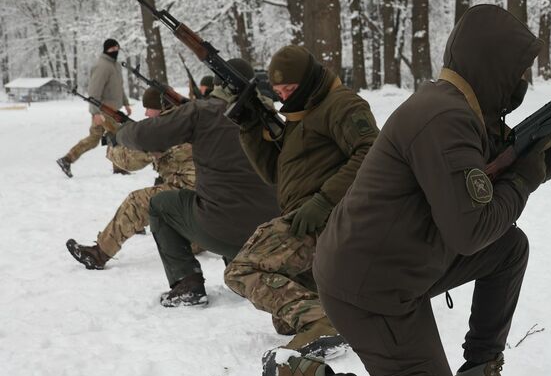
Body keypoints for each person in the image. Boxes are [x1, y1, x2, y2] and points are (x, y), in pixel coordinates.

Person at [266, 5, 551, 376]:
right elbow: (471, 231)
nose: (522, 80)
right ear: (490, 66)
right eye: (517, 71)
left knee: (508, 249)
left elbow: (494, 182)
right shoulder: (444, 119)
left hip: (403, 261)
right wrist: (524, 179)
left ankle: (481, 369)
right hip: (367, 286)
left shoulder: (462, 112)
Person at [223, 45, 378, 358]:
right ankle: (332, 317)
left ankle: (323, 321)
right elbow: (273, 171)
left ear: (308, 80)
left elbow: (371, 154)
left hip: (328, 218)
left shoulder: (341, 104)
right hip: (307, 215)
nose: (284, 96)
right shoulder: (302, 110)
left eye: (290, 89)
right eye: (278, 90)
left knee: (239, 271)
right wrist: (250, 126)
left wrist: (323, 202)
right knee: (285, 321)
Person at [114, 59, 280, 307]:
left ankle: (187, 284)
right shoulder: (272, 116)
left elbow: (142, 136)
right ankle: (238, 265)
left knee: (160, 205)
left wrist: (120, 131)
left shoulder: (204, 112)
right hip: (272, 233)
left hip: (222, 230)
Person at [65, 87, 196, 270]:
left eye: (149, 108)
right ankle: (194, 242)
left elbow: (128, 162)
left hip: (194, 201)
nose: (146, 113)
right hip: (210, 201)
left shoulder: (164, 130)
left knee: (137, 202)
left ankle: (99, 254)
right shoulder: (188, 119)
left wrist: (113, 141)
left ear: (162, 107)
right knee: (161, 187)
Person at [57, 38, 132, 178]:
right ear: (106, 49)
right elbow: (94, 91)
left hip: (114, 110)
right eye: (112, 49)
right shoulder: (102, 66)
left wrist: (126, 103)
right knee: (117, 136)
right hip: (103, 111)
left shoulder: (115, 65)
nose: (115, 51)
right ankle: (119, 168)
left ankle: (67, 159)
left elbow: (119, 88)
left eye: (117, 49)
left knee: (94, 139)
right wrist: (95, 112)